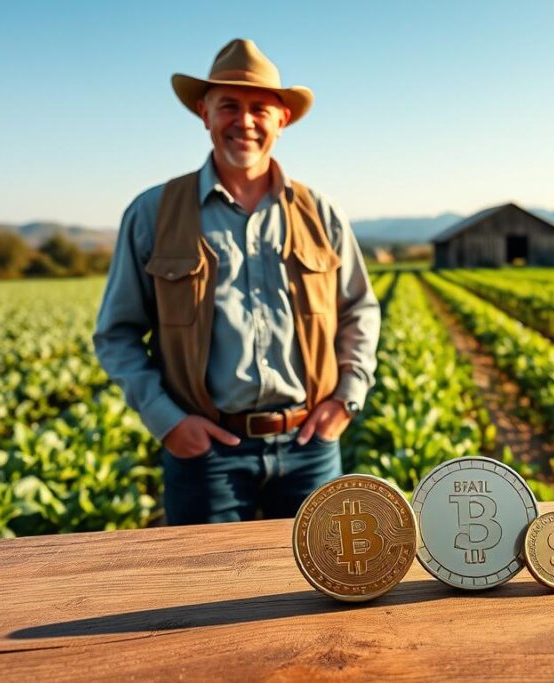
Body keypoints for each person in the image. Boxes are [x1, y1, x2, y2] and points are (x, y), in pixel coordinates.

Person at [93, 38, 380, 525]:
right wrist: (168, 422)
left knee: (320, 594)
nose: (244, 122)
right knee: (207, 597)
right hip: (206, 456)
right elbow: (116, 333)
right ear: (204, 114)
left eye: (258, 108)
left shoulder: (321, 212)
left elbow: (359, 310)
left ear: (281, 120)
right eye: (229, 106)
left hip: (310, 449)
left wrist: (346, 399)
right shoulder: (153, 213)